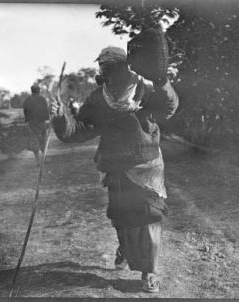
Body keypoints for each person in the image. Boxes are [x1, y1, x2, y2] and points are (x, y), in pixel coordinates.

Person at [50, 46, 179, 293]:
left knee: (149, 215)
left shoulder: (145, 89)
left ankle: (148, 272)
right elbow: (78, 130)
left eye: (114, 66)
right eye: (104, 68)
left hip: (146, 165)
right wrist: (60, 117)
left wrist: (162, 81)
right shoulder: (100, 98)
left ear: (126, 66)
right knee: (122, 217)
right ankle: (125, 247)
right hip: (116, 167)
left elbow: (170, 106)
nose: (109, 72)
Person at [23, 84, 50, 165]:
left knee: (35, 141)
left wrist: (28, 121)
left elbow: (25, 112)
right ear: (39, 90)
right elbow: (46, 110)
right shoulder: (42, 99)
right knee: (43, 141)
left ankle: (38, 161)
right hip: (41, 123)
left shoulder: (28, 100)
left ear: (31, 90)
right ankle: (44, 159)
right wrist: (47, 120)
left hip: (32, 123)